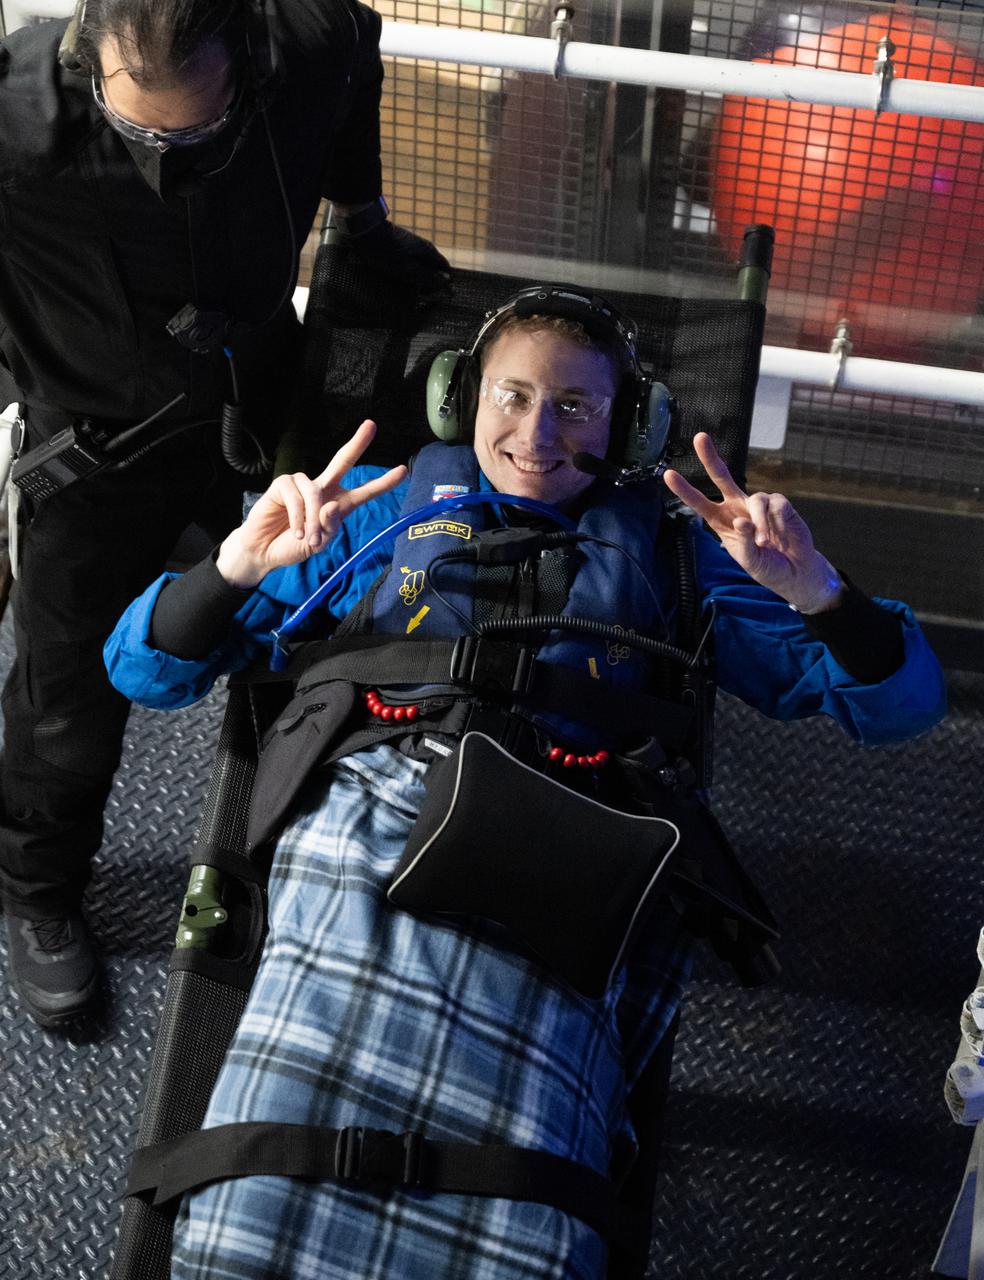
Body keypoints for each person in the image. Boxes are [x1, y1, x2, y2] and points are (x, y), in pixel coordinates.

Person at [105, 286, 945, 1278]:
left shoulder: (690, 552)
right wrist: (238, 567)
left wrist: (819, 593)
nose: (535, 430)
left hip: (569, 848)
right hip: (377, 823)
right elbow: (145, 669)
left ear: (629, 426)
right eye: (511, 396)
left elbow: (901, 705)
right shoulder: (363, 511)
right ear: (465, 403)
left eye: (576, 406)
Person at [0, 0, 449, 1026]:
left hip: (254, 408)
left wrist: (363, 218)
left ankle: (320, 855)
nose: (171, 151)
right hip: (90, 456)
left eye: (197, 128)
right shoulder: (14, 119)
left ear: (245, 62)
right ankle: (39, 890)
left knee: (298, 631)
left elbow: (356, 70)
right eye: (142, 130)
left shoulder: (306, 42)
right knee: (68, 701)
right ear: (87, 56)